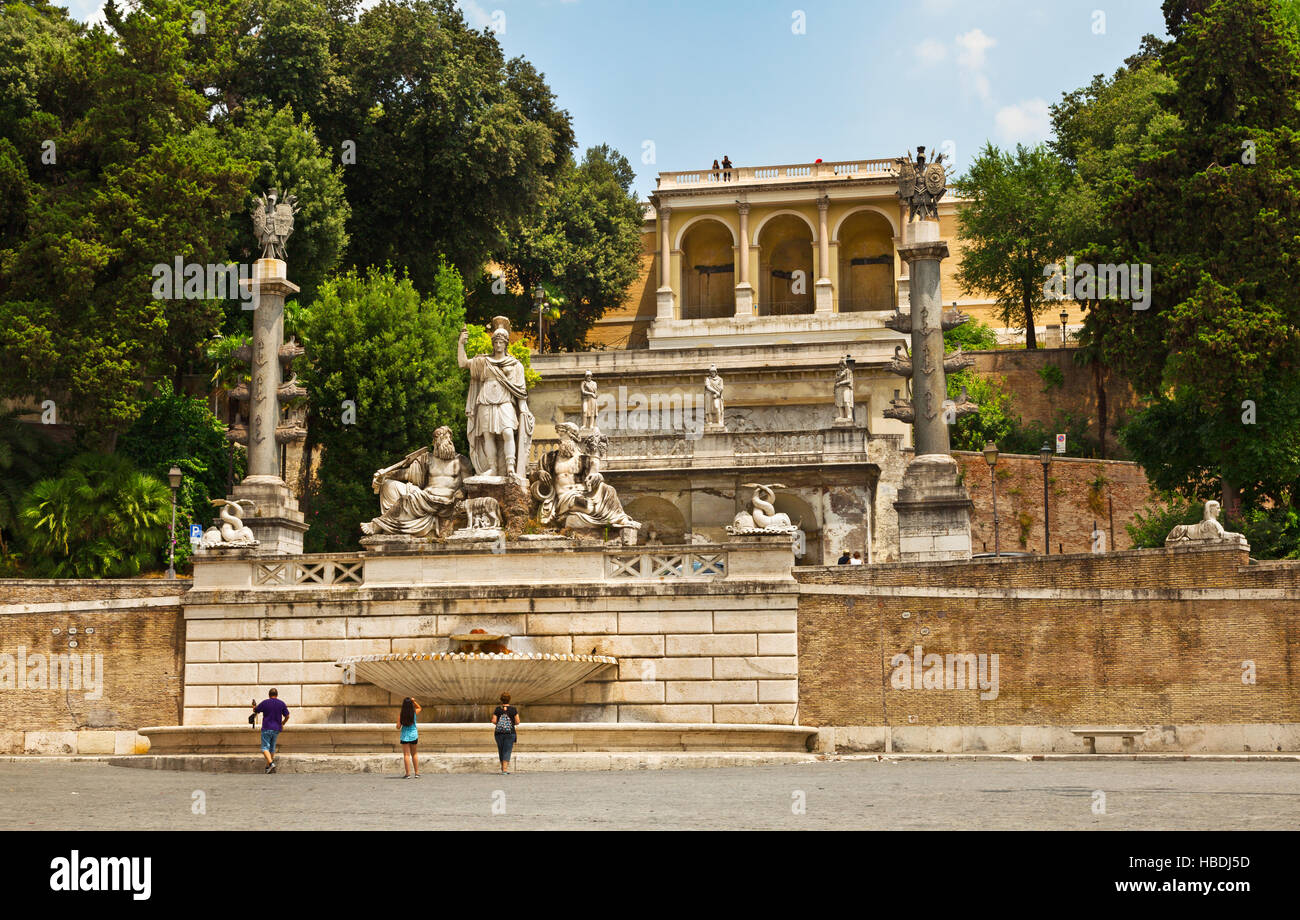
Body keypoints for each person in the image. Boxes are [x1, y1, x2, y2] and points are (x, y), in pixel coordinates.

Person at [252, 688, 290, 774]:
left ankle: (272, 763)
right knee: (272, 748)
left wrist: (254, 706)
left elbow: (255, 710)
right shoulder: (281, 703)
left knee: (264, 748)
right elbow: (287, 716)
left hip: (266, 728)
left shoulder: (265, 702)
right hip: (276, 729)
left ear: (269, 695)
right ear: (277, 695)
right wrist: (282, 723)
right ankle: (268, 767)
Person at [491, 692, 520, 774]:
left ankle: (503, 768)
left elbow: (493, 721)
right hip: (510, 732)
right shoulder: (513, 709)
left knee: (501, 750)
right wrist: (510, 723)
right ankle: (504, 769)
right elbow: (518, 722)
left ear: (501, 700)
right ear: (509, 699)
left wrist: (501, 724)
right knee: (507, 750)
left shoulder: (498, 709)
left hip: (498, 733)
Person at [397, 696, 422, 778]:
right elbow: (420, 708)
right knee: (414, 754)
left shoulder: (401, 715)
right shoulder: (414, 713)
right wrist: (414, 701)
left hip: (405, 736)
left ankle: (408, 774)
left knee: (406, 755)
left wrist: (399, 723)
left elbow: (398, 726)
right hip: (414, 735)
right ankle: (417, 773)